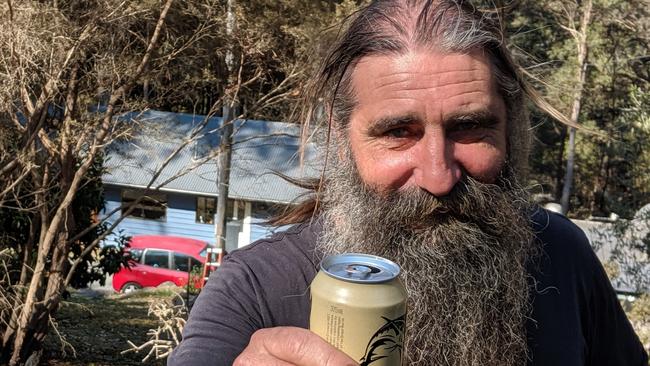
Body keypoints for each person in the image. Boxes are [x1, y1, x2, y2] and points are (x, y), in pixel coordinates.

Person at [168, 1, 648, 365]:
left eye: (470, 127)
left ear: (512, 132)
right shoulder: (252, 288)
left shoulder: (563, 253)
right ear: (341, 140)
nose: (439, 177)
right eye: (398, 132)